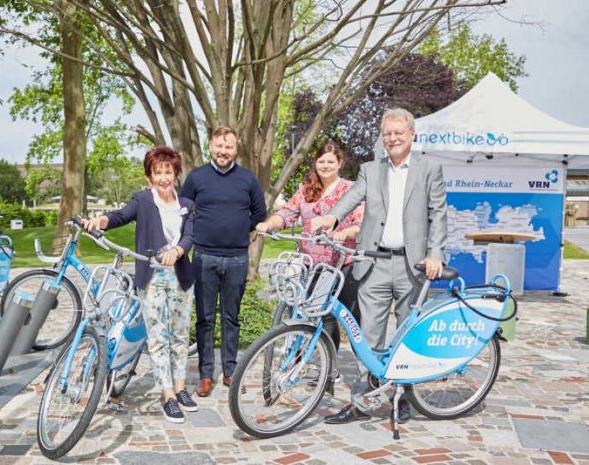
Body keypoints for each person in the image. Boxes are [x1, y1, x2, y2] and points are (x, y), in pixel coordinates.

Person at [311, 108, 447, 424]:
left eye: (398, 133)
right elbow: (352, 197)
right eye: (387, 133)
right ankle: (361, 401)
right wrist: (332, 217)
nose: (392, 138)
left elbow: (438, 214)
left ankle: (402, 397)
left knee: (405, 336)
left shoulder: (430, 169)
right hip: (373, 262)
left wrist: (436, 253)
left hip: (413, 265)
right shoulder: (371, 170)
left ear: (412, 135)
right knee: (367, 337)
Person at [83, 146, 197, 424]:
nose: (163, 178)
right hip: (153, 278)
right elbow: (121, 215)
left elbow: (190, 236)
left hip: (181, 277)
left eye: (167, 172)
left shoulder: (188, 205)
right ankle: (168, 395)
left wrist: (178, 251)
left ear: (175, 174)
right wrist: (101, 220)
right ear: (150, 175)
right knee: (158, 337)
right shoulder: (143, 201)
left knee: (180, 336)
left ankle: (181, 387)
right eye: (157, 172)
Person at [180, 126, 267, 397]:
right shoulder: (196, 178)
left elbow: (259, 213)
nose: (223, 151)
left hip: (237, 258)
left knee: (231, 317)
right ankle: (206, 374)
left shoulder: (247, 179)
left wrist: (240, 231)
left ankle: (230, 371)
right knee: (205, 319)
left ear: (236, 149)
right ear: (210, 146)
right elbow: (184, 212)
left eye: (228, 146)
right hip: (204, 257)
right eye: (219, 145)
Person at [255, 142, 364, 353]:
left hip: (343, 264)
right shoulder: (307, 189)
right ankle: (329, 370)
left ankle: (365, 367)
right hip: (313, 266)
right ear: (315, 163)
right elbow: (287, 213)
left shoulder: (350, 189)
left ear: (339, 163)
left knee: (354, 319)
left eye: (330, 161)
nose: (325, 165)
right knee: (323, 316)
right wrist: (268, 224)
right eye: (321, 161)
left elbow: (360, 223)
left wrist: (343, 233)